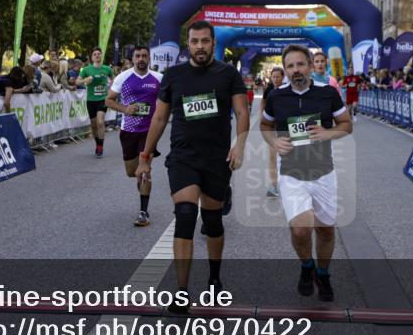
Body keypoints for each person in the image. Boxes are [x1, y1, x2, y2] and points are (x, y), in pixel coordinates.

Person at [135, 20, 249, 312]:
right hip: (184, 156)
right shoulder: (173, 76)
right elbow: (159, 119)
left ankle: (214, 278)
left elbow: (241, 111)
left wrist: (240, 145)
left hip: (216, 159)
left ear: (213, 43)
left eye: (205, 41)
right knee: (185, 214)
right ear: (189, 44)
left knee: (212, 221)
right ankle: (182, 292)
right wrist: (145, 157)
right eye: (195, 42)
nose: (200, 46)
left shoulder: (227, 75)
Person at [260, 44, 352, 301]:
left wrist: (327, 133)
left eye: (300, 64)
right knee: (300, 230)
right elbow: (265, 125)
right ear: (285, 70)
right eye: (290, 66)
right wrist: (274, 142)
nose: (295, 70)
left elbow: (346, 124)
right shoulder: (277, 96)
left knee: (325, 230)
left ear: (311, 66)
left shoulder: (327, 93)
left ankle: (322, 273)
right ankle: (306, 266)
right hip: (291, 172)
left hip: (323, 172)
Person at [106, 46, 163, 227]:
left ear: (149, 58)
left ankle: (143, 212)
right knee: (132, 172)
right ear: (132, 58)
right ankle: (140, 179)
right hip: (129, 131)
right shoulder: (123, 77)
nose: (141, 59)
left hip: (149, 132)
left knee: (145, 169)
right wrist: (125, 109)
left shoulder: (158, 78)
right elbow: (108, 100)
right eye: (138, 56)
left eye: (144, 56)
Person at [78, 47, 113, 157]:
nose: (97, 55)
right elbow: (77, 81)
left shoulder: (107, 69)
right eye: (95, 54)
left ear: (101, 56)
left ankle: (100, 146)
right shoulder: (86, 69)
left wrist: (111, 87)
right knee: (93, 125)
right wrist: (85, 80)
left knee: (100, 122)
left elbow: (114, 80)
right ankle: (98, 143)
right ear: (92, 57)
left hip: (102, 99)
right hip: (91, 100)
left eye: (99, 54)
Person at [260, 66, 286, 197]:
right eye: (273, 77)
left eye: (278, 76)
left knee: (286, 155)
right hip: (272, 127)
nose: (276, 79)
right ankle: (273, 186)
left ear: (283, 77)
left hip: (285, 128)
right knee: (272, 157)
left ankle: (291, 183)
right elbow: (263, 103)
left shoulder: (288, 89)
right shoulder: (269, 89)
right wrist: (263, 118)